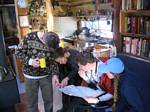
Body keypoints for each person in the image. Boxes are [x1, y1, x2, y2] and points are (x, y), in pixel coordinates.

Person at [16, 31, 60, 112]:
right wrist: (30, 61)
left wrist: (55, 74)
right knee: (32, 103)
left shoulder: (52, 39)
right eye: (49, 48)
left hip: (46, 76)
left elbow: (53, 60)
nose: (50, 50)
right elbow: (18, 52)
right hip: (30, 76)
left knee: (49, 101)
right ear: (43, 41)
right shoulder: (28, 38)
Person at [53, 47, 82, 112]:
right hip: (65, 74)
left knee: (73, 96)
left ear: (65, 54)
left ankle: (71, 109)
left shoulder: (76, 55)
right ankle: (64, 108)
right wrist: (57, 77)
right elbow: (59, 67)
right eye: (58, 62)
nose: (60, 63)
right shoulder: (60, 59)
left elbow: (76, 70)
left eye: (61, 61)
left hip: (76, 77)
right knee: (64, 92)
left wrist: (67, 78)